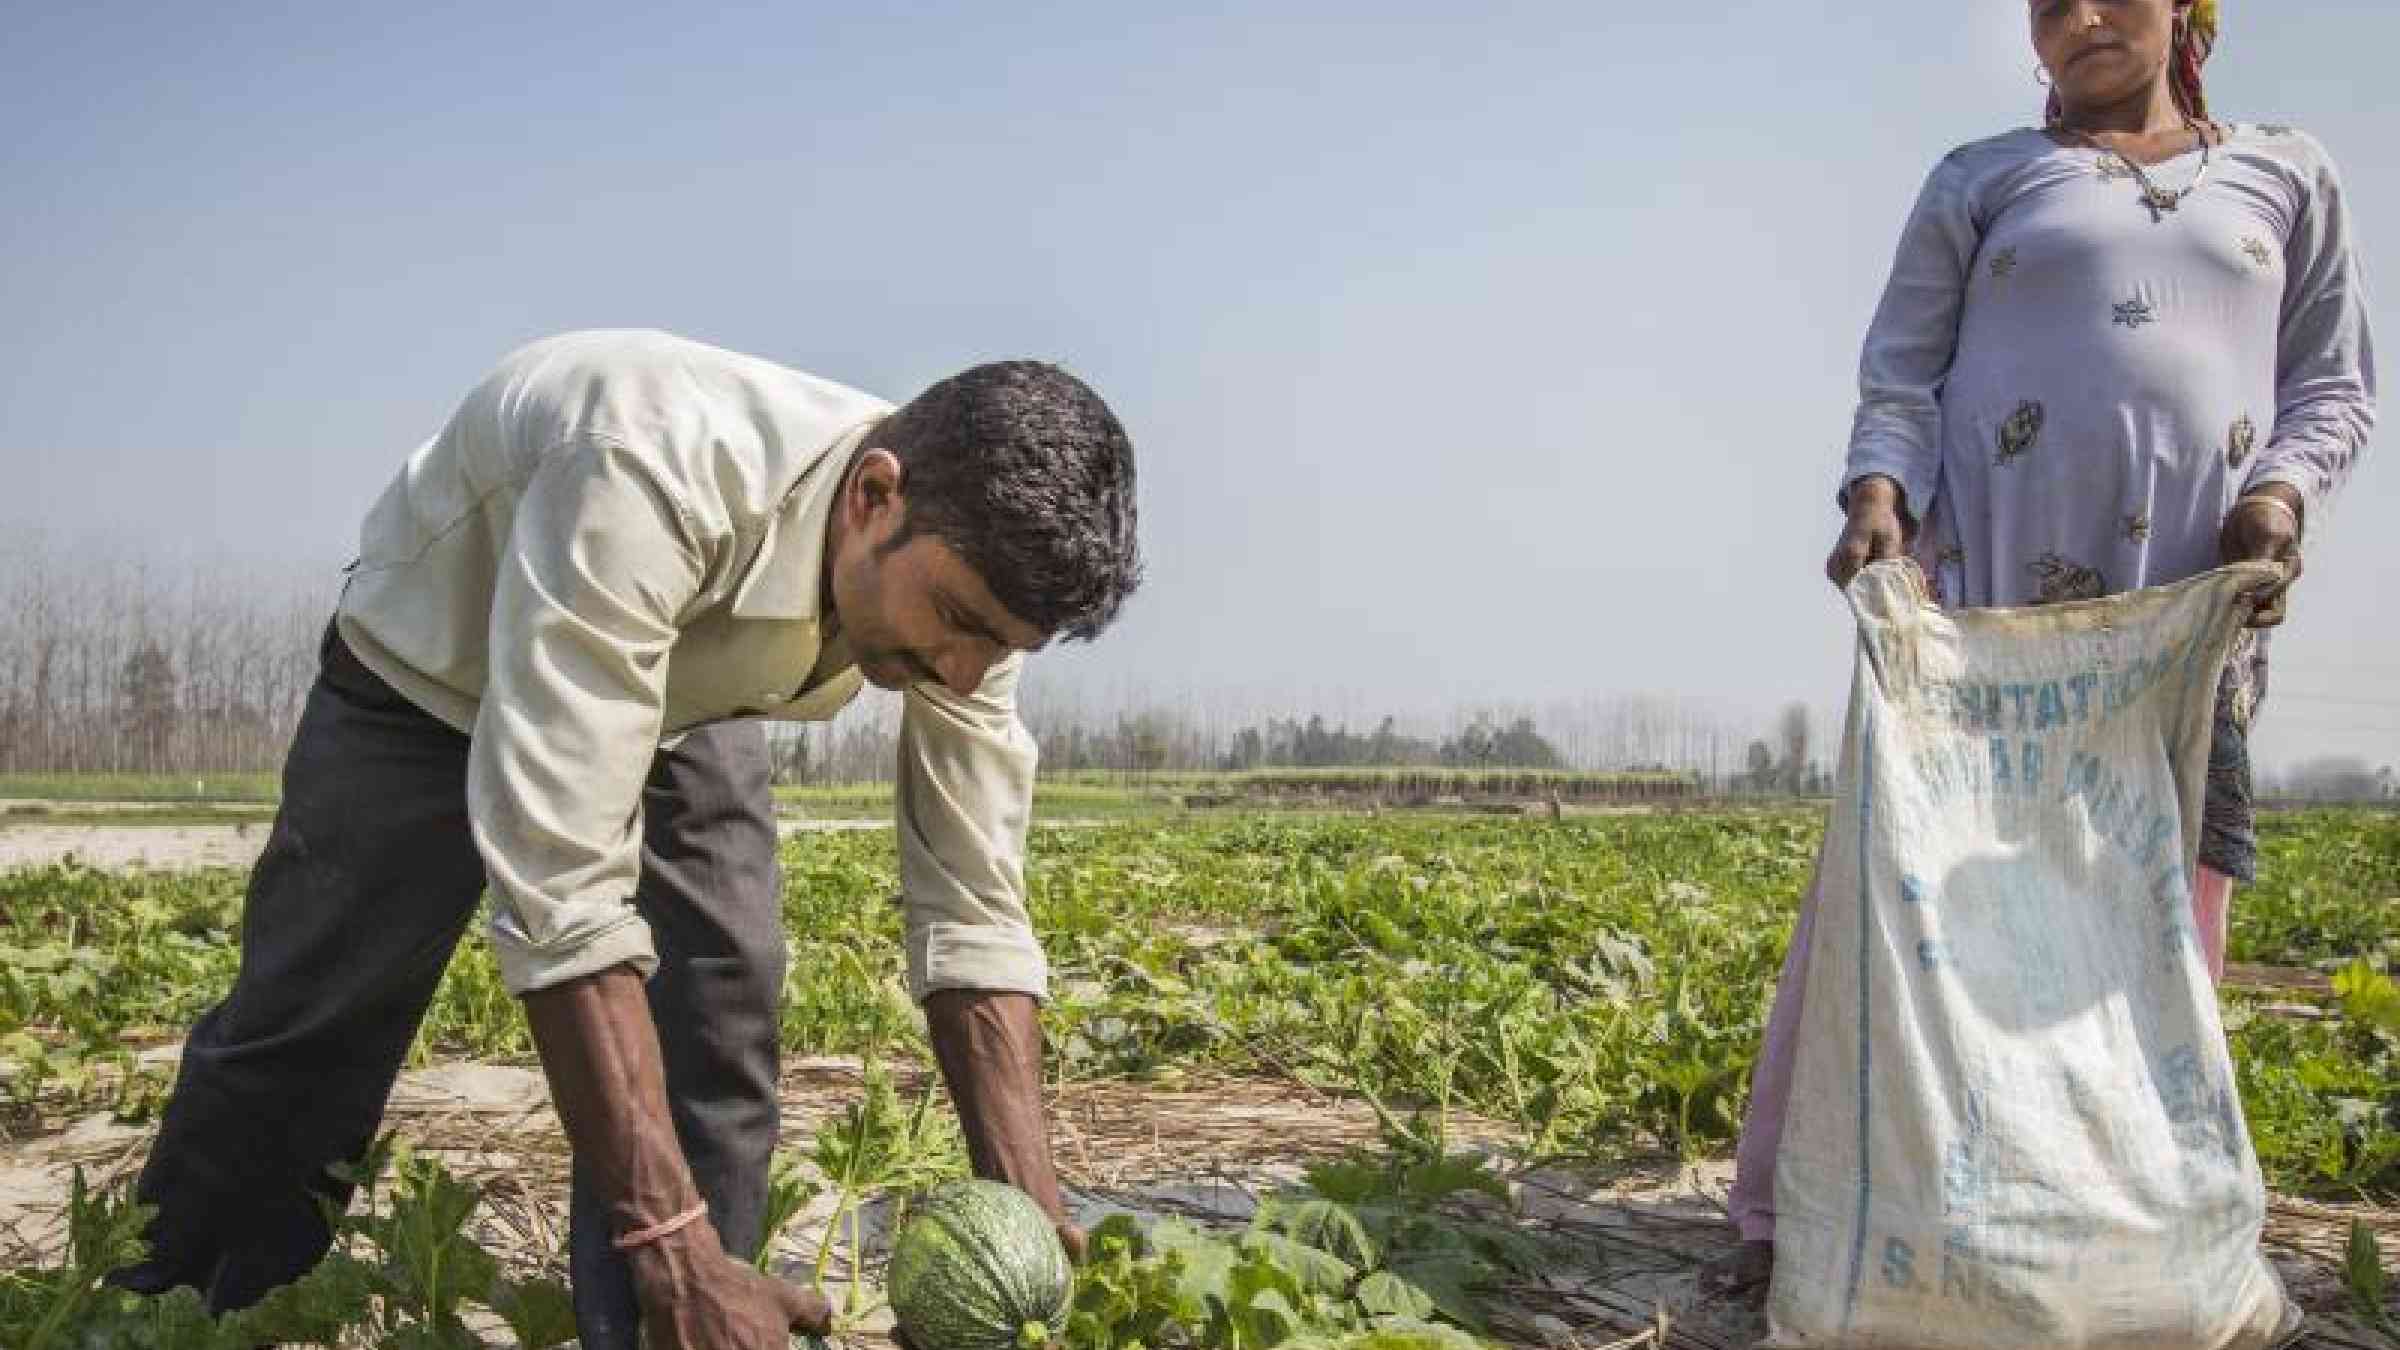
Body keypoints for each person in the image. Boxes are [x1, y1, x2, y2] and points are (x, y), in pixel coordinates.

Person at [114, 328, 1143, 1350]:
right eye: (958, 620)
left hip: (680, 688)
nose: (966, 672)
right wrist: (667, 1243)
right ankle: (170, 1313)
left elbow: (972, 905)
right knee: (311, 1027)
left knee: (723, 988)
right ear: (874, 496)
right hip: (431, 672)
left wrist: (1030, 1225)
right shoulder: (647, 468)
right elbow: (561, 895)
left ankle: (676, 1328)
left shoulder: (975, 589)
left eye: (1000, 647)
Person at [1715, 0, 2374, 1298]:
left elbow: (2332, 386)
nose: (2077, 17)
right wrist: (1876, 498)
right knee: (1913, 914)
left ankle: (2107, 1231)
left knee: (2142, 931)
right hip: (1984, 616)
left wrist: (2278, 499)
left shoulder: (2284, 176)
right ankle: (1803, 1217)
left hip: (2169, 631)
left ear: (2188, 8)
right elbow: (1900, 377)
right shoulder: (1981, 180)